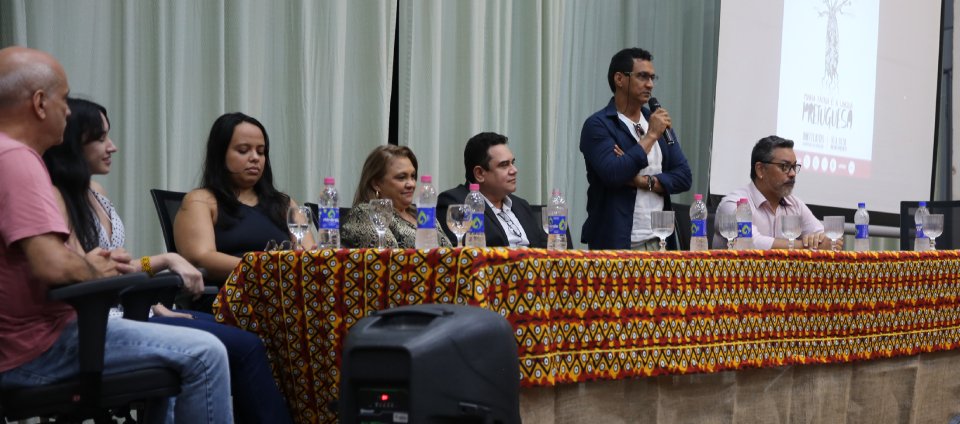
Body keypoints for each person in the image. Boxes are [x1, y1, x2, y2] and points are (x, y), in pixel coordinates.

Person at [0, 46, 232, 423]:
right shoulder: (16, 159)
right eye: (63, 98)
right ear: (40, 103)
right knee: (207, 354)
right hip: (40, 348)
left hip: (36, 341)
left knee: (180, 360)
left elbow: (58, 258)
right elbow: (52, 266)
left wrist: (87, 263)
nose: (69, 110)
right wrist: (94, 270)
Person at [43, 98, 293, 423]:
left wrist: (161, 267)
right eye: (101, 138)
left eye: (261, 151)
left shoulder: (94, 190)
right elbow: (80, 273)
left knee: (257, 341)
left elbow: (113, 268)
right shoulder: (55, 197)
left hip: (128, 309)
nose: (113, 147)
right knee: (244, 345)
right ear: (75, 142)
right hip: (96, 322)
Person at [175, 112, 311, 285]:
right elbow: (201, 258)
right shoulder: (201, 201)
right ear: (221, 155)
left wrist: (280, 270)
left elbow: (308, 256)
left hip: (284, 295)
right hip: (228, 297)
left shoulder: (284, 203)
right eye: (243, 150)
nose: (255, 158)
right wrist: (266, 269)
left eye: (261, 152)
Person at [580, 47, 692, 250]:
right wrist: (650, 136)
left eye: (652, 77)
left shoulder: (655, 120)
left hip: (661, 243)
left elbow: (684, 177)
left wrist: (641, 181)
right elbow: (614, 173)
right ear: (619, 79)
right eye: (642, 76)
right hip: (618, 244)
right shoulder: (599, 125)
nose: (649, 84)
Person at [438, 131, 568, 248]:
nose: (514, 170)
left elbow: (541, 248)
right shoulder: (457, 202)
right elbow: (466, 253)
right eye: (504, 165)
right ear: (480, 173)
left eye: (513, 163)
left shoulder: (521, 205)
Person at [714, 135, 835, 250]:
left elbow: (829, 240)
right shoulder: (733, 204)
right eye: (784, 166)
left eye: (794, 166)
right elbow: (752, 243)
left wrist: (823, 240)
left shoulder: (795, 205)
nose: (792, 173)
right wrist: (808, 247)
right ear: (760, 169)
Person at [341, 145, 451, 248]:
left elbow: (450, 252)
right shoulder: (367, 213)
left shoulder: (421, 213)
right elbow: (389, 259)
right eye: (401, 177)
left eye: (412, 176)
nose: (411, 184)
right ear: (376, 184)